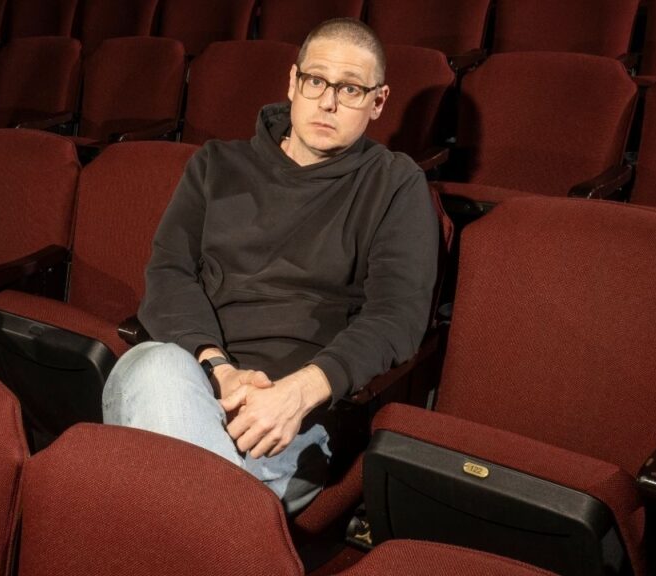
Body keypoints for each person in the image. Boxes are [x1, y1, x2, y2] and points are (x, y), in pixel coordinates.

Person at [102, 18, 438, 514]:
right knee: (151, 365)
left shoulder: (395, 183)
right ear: (293, 82)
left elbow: (398, 317)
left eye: (350, 89)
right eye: (316, 81)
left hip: (299, 415)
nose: (328, 102)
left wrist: (298, 394)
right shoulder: (216, 165)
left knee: (156, 495)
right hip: (193, 381)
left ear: (378, 101)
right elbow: (169, 274)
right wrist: (218, 368)